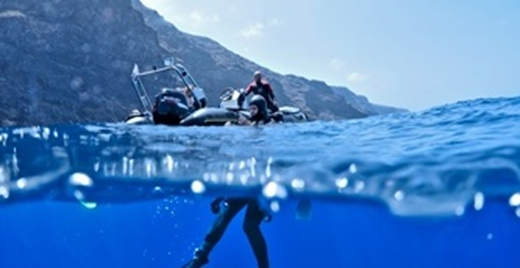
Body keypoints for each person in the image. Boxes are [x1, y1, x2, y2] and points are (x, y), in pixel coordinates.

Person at [182, 97, 281, 268]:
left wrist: (248, 127)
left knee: (250, 226)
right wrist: (220, 197)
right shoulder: (246, 132)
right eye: (249, 109)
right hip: (244, 184)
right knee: (224, 214)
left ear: (262, 110)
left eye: (254, 110)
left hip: (260, 186)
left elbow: (266, 141)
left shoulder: (270, 126)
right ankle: (200, 256)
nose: (251, 113)